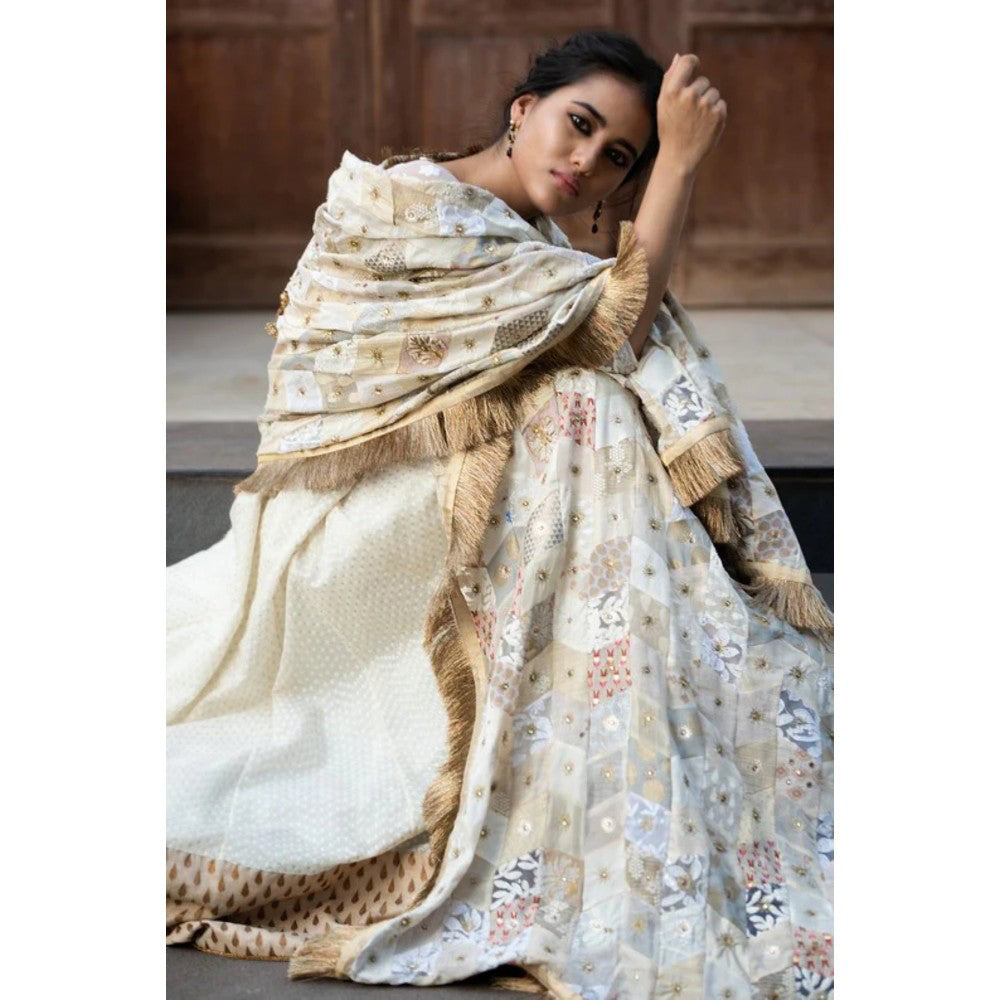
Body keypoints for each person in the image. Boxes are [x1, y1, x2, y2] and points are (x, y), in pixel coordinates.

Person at [166, 30, 834, 999]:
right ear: (523, 109)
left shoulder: (534, 247)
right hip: (359, 503)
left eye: (619, 156)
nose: (586, 161)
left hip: (453, 485)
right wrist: (680, 162)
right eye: (578, 123)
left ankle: (632, 722)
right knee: (587, 404)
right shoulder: (413, 204)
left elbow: (607, 328)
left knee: (587, 406)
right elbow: (614, 327)